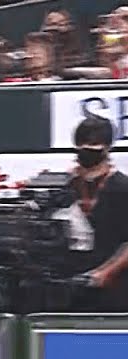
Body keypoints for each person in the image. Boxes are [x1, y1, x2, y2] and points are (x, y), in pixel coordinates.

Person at [69, 116, 128, 312]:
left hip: (115, 290)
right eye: (81, 145)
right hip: (69, 289)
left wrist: (106, 272)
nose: (86, 150)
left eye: (93, 145)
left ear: (107, 148)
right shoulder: (65, 186)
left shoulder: (122, 187)